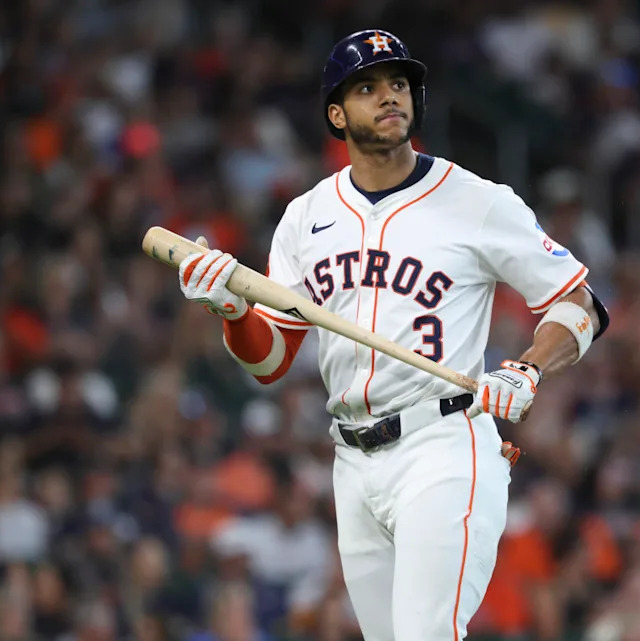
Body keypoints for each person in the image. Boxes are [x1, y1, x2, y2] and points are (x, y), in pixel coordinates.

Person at [177, 29, 609, 640]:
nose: (390, 96)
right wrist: (229, 310)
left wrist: (528, 368)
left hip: (443, 444)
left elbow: (581, 304)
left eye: (400, 84)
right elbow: (270, 360)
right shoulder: (305, 217)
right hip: (352, 461)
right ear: (336, 113)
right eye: (368, 87)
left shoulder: (476, 200)